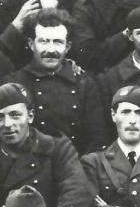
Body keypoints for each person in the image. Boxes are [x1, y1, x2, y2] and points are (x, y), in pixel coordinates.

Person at [7, 8, 108, 153]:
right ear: (31, 44)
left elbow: (97, 138)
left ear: (67, 47)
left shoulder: (84, 84)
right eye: (44, 41)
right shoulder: (15, 83)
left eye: (58, 42)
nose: (51, 49)